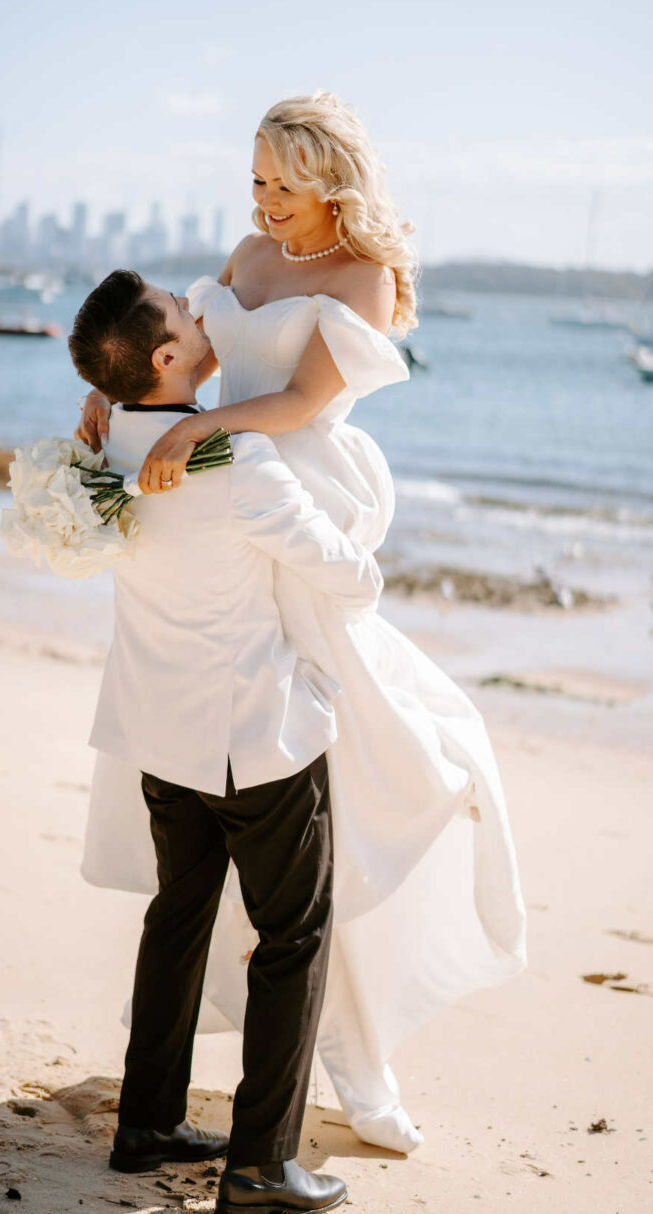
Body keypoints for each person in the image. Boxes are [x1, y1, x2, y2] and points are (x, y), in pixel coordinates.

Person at [77, 92, 527, 1155]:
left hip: (285, 484)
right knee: (230, 770)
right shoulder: (245, 252)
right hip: (224, 488)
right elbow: (180, 355)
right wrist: (121, 408)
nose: (265, 207)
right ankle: (241, 1087)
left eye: (282, 187)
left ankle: (353, 1052)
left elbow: (289, 400)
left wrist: (201, 437)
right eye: (255, 186)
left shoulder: (363, 279)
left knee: (348, 772)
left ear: (332, 182)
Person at [70, 269, 384, 1212]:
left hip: (160, 738)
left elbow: (124, 391)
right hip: (256, 742)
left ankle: (149, 1121)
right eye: (181, 311)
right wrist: (360, 523)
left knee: (180, 912)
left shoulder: (100, 446)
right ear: (166, 357)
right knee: (296, 934)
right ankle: (260, 1164)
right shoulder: (236, 463)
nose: (199, 310)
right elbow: (348, 578)